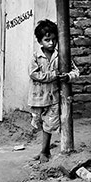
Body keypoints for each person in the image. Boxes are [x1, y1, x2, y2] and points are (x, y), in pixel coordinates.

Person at [28, 19, 79, 163]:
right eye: (47, 40)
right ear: (40, 41)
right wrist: (53, 76)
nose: (51, 43)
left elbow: (76, 72)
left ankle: (45, 151)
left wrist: (67, 76)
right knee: (39, 123)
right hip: (38, 98)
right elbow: (33, 74)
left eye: (54, 39)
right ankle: (44, 150)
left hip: (54, 97)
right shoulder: (36, 56)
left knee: (50, 124)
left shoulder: (61, 55)